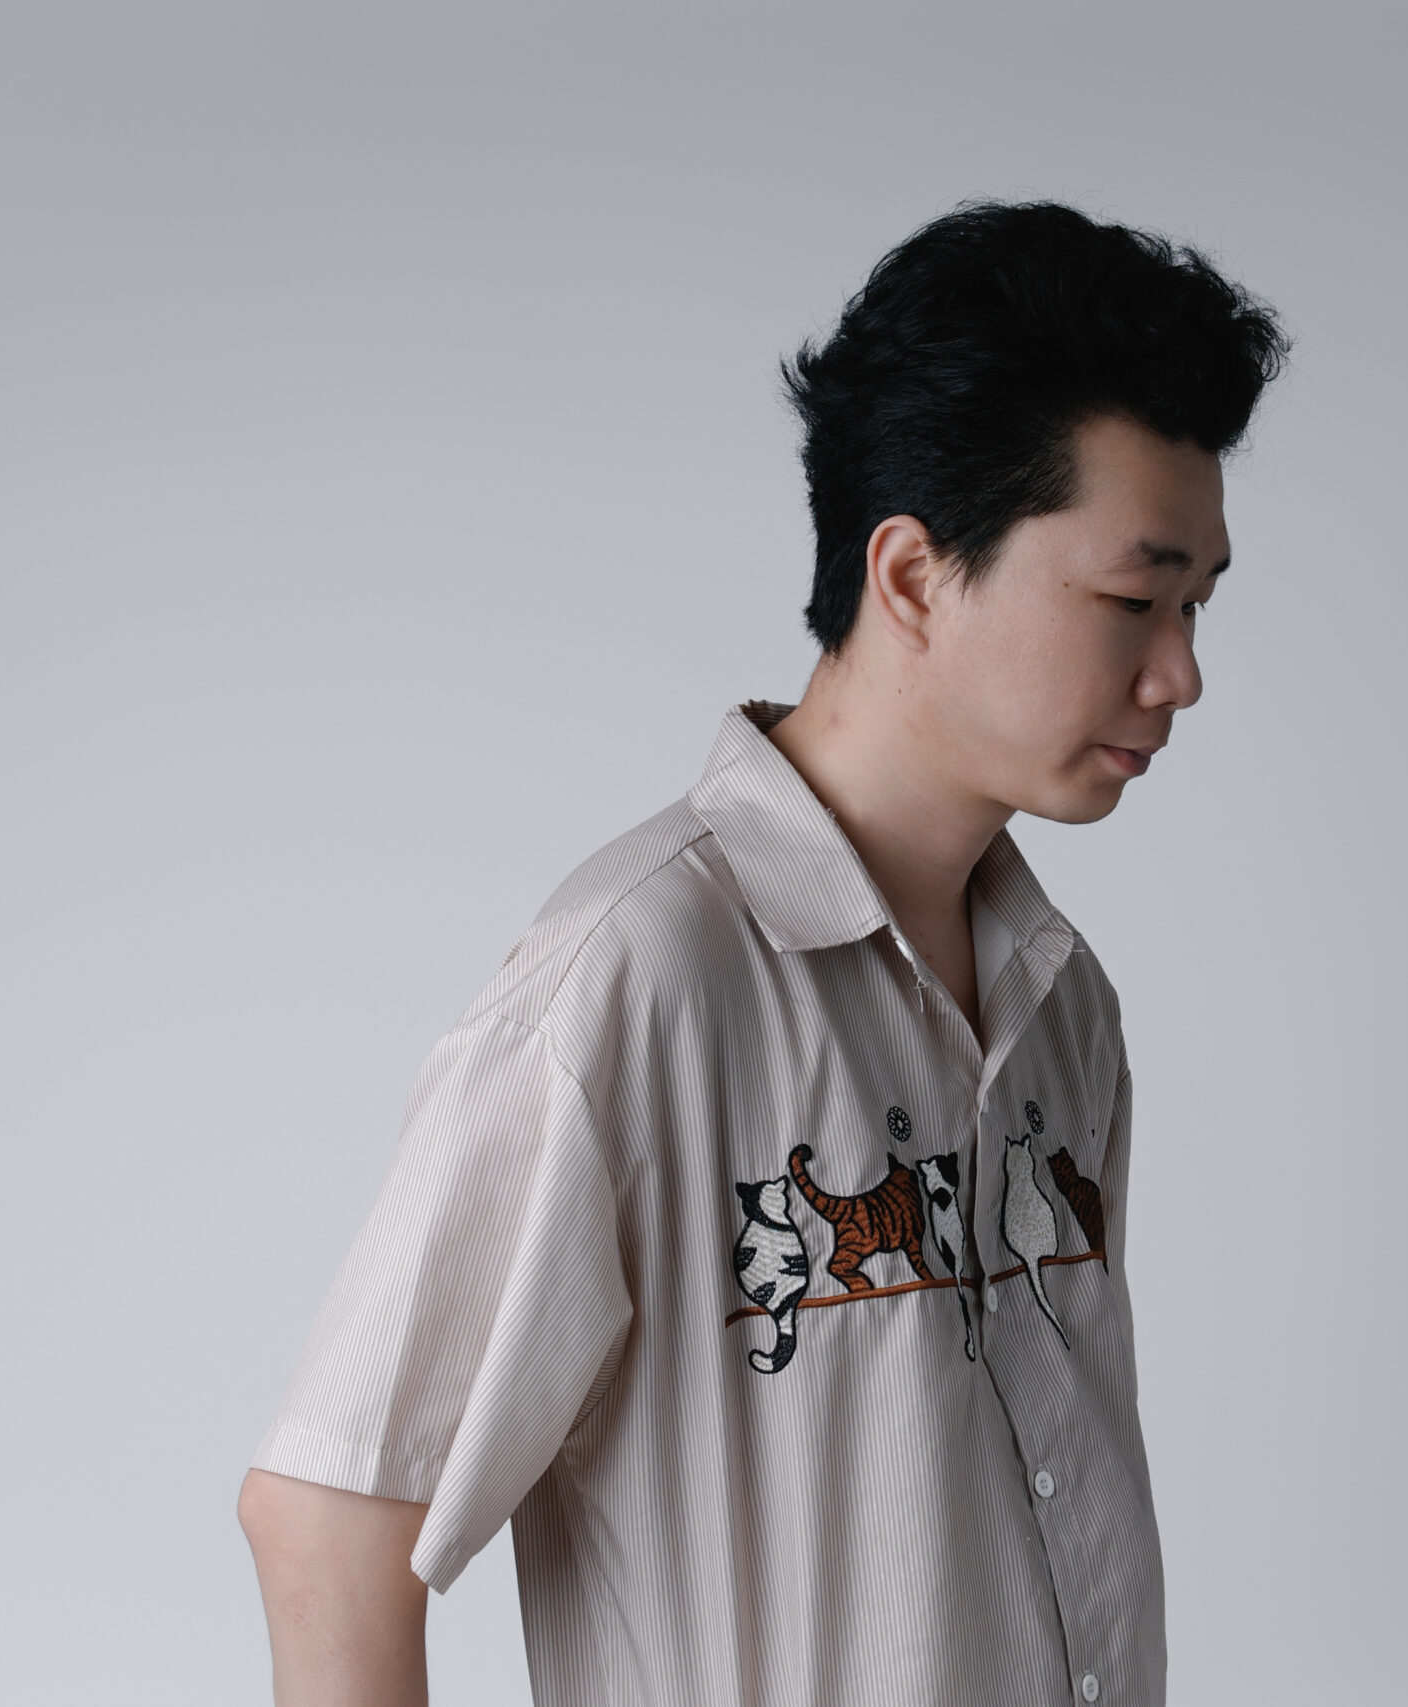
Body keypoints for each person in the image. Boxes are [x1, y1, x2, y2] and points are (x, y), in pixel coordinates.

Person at [237, 198, 1287, 1707]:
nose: (1180, 674)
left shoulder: (1066, 1003)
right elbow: (329, 1516)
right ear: (911, 577)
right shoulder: (636, 977)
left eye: (1196, 606)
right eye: (1134, 599)